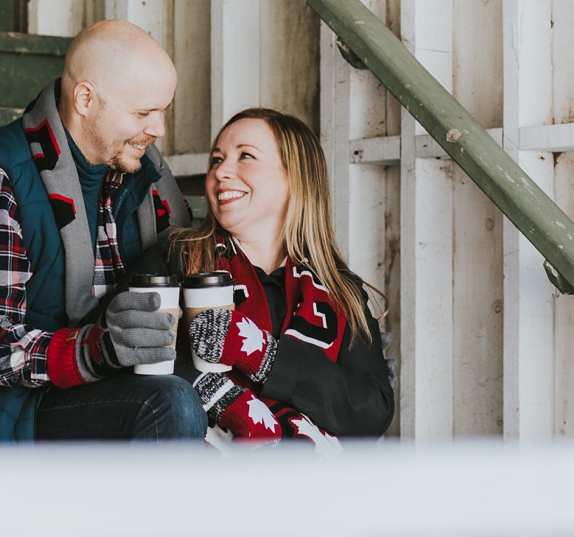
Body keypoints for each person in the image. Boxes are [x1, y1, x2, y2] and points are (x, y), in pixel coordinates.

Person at [0, 19, 207, 442]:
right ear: (85, 99)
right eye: (143, 113)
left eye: (162, 111)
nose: (159, 130)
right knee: (171, 403)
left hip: (124, 384)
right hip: (24, 407)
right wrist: (90, 349)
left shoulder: (146, 178)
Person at [137, 107, 394, 454]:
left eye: (245, 156)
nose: (220, 172)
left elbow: (370, 411)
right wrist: (230, 401)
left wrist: (264, 356)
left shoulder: (339, 290)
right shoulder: (176, 258)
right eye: (217, 160)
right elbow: (137, 362)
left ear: (294, 178)